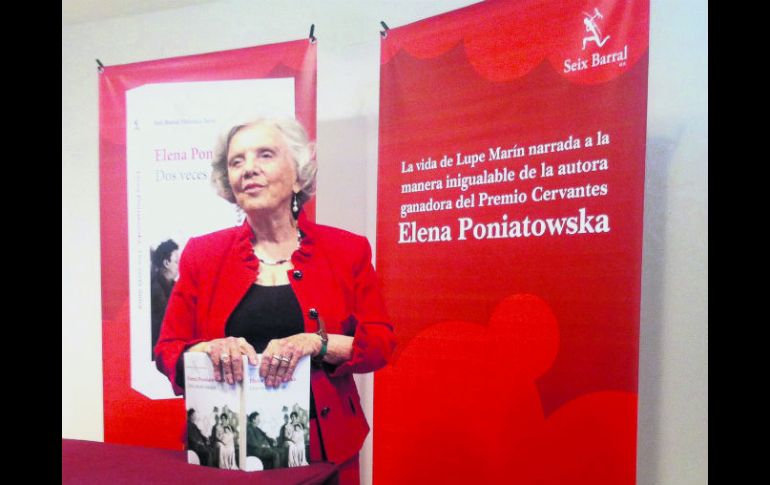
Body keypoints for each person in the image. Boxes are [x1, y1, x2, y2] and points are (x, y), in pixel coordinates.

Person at [154, 117, 396, 484]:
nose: (249, 168)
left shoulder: (347, 250)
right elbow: (168, 350)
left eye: (265, 155)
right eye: (237, 161)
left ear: (298, 175)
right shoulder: (203, 254)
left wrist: (317, 343)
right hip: (226, 453)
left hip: (324, 453)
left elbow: (380, 343)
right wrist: (207, 349)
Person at [150, 239, 179, 359]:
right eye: (176, 262)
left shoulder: (174, 286)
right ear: (166, 263)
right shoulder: (155, 290)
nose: (179, 266)